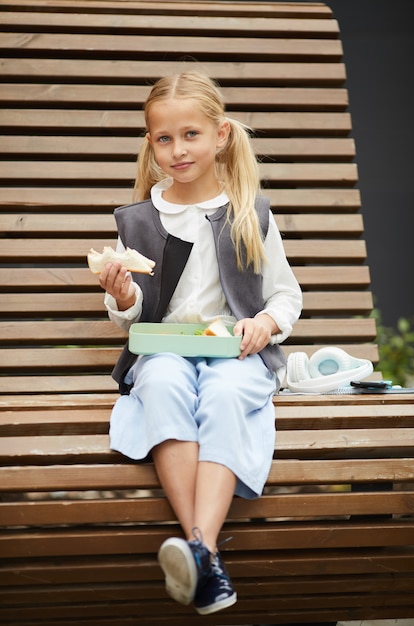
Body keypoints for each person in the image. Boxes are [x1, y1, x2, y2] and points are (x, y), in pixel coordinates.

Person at [97, 71, 302, 616]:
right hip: (164, 348)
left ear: (221, 135)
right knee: (160, 381)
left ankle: (198, 551)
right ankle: (206, 556)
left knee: (226, 394)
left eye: (191, 135)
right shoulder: (137, 221)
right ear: (150, 144)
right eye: (164, 138)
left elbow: (285, 297)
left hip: (233, 349)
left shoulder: (249, 213)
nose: (178, 149)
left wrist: (264, 323)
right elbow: (131, 319)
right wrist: (121, 297)